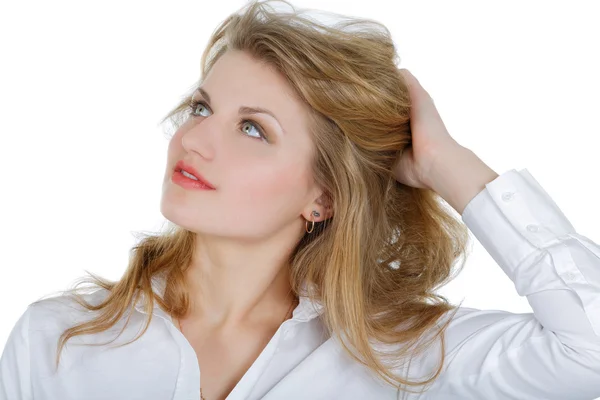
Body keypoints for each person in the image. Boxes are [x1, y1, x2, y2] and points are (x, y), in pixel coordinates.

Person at [2, 1, 600, 399]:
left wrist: (445, 162)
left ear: (324, 196)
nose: (195, 139)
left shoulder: (400, 357)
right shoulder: (57, 341)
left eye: (253, 128)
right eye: (203, 108)